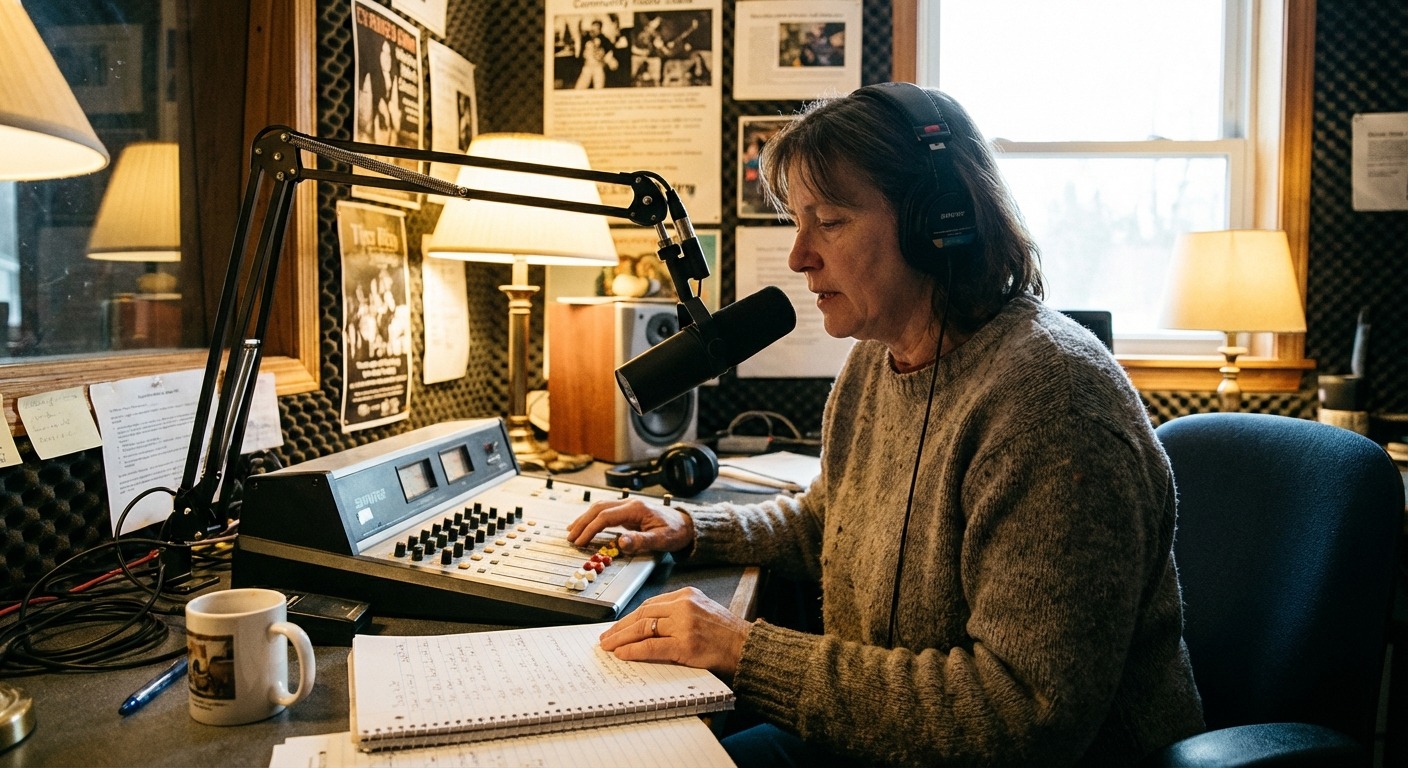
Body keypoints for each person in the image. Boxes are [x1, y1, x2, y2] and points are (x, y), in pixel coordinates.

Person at [569, 82, 1205, 766]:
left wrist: (745, 650)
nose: (798, 255)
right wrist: (696, 528)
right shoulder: (879, 360)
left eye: (831, 221)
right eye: (797, 221)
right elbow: (833, 520)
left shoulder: (1054, 406)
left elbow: (1021, 712)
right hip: (888, 738)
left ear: (938, 226)